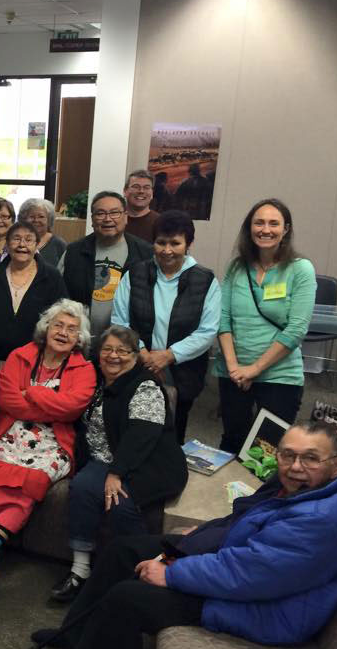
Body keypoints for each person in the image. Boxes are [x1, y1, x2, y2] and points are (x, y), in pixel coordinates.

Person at [30, 420, 337, 649]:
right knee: (122, 551)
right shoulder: (293, 485)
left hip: (259, 608)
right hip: (238, 571)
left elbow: (246, 574)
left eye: (311, 458)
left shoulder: (320, 518)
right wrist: (202, 534)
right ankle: (75, 635)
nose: (296, 467)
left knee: (127, 598)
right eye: (288, 455)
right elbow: (242, 519)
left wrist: (171, 573)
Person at [0, 300, 96, 597]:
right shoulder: (21, 355)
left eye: (71, 329)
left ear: (79, 338)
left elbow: (71, 409)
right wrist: (47, 403)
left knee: (34, 478)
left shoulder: (85, 369)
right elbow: (7, 400)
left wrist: (33, 393)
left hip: (53, 442)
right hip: (11, 432)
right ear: (46, 327)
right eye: (58, 325)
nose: (64, 333)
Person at [51, 325, 187, 604]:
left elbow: (142, 435)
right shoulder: (98, 380)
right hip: (105, 457)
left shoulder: (146, 385)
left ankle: (137, 575)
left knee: (120, 502)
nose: (114, 356)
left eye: (123, 351)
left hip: (149, 461)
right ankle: (80, 570)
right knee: (82, 488)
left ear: (136, 356)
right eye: (107, 350)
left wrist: (116, 473)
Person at [215, 199, 316, 453]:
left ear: (286, 229)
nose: (265, 229)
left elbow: (296, 330)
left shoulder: (300, 269)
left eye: (274, 223)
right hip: (234, 373)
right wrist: (235, 368)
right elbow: (223, 319)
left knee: (267, 451)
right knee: (232, 441)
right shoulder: (237, 267)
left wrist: (254, 369)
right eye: (259, 222)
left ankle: (263, 495)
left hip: (280, 375)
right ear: (250, 228)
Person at [112, 211, 220, 443]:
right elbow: (120, 320)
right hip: (138, 363)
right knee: (135, 422)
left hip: (184, 369)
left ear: (188, 244)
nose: (167, 250)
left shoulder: (205, 280)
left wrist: (169, 356)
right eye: (161, 242)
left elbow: (207, 330)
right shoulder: (135, 274)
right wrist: (142, 353)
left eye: (175, 243)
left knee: (174, 425)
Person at [59, 191, 154, 339]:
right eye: (100, 214)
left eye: (115, 213)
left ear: (126, 217)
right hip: (78, 340)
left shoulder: (145, 254)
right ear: (92, 219)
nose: (107, 219)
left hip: (126, 345)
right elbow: (58, 297)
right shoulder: (73, 252)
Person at [0, 220, 67, 362]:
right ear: (7, 244)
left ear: (37, 244)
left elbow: (61, 318)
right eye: (16, 239)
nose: (22, 245)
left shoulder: (51, 277)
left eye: (29, 240)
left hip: (36, 361)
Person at [20, 197, 67, 267]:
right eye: (31, 216)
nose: (36, 220)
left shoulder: (59, 244)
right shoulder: (16, 241)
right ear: (23, 219)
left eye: (41, 217)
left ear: (49, 220)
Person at [123, 169, 160, 243]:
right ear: (125, 191)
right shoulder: (115, 219)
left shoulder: (161, 222)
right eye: (136, 186)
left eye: (146, 187)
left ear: (152, 193)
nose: (141, 191)